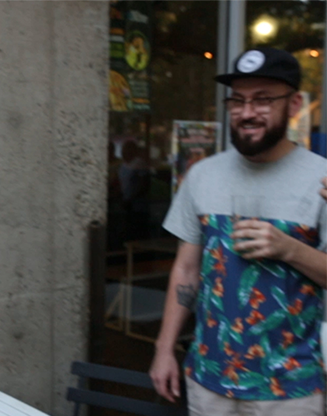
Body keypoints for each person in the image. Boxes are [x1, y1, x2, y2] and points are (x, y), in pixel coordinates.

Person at [149, 47, 327, 415]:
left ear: (294, 104)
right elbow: (186, 269)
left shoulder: (321, 179)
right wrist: (164, 349)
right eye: (238, 101)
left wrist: (290, 249)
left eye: (263, 100)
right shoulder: (202, 175)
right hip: (208, 382)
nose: (247, 112)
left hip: (290, 390)